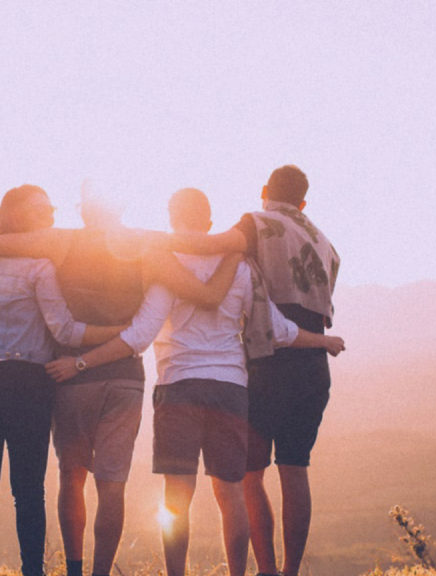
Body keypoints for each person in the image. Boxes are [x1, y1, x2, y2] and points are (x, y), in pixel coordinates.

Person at [46, 188, 345, 576]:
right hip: (230, 388)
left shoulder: (166, 266)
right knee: (231, 492)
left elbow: (139, 336)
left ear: (173, 219)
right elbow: (277, 329)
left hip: (178, 387)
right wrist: (322, 340)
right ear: (208, 221)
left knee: (176, 496)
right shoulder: (239, 266)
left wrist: (82, 362)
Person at [0, 183, 240, 576]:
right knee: (112, 485)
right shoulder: (147, 245)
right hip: (125, 379)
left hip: (70, 377)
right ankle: (101, 571)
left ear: (84, 210)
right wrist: (238, 245)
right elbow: (204, 284)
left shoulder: (60, 241)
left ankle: (74, 570)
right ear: (120, 206)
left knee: (72, 475)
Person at [167, 166, 341, 576]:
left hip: (268, 362)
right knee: (296, 468)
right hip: (312, 363)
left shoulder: (256, 224)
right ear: (303, 201)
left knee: (248, 473)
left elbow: (210, 245)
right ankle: (290, 571)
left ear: (265, 191)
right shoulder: (325, 243)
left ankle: (264, 571)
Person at [0, 185, 126, 576]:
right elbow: (65, 331)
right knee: (28, 489)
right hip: (25, 382)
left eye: (51, 208)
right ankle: (32, 570)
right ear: (18, 216)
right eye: (41, 210)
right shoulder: (39, 267)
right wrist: (117, 331)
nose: (50, 215)